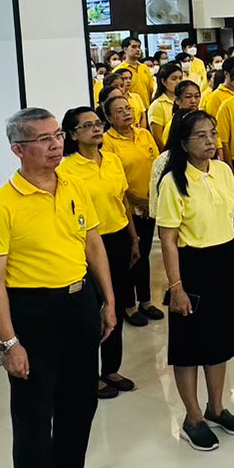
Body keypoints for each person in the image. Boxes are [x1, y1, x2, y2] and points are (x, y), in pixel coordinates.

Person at [0, 108, 116, 468]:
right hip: (33, 310)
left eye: (57, 136)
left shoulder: (73, 185)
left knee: (81, 395)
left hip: (79, 300)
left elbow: (93, 244)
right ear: (18, 149)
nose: (56, 145)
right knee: (34, 404)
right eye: (44, 140)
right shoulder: (0, 205)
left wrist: (108, 300)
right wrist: (9, 343)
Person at [156, 109, 234, 450]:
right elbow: (168, 239)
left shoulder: (223, 170)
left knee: (221, 339)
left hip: (223, 260)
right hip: (192, 266)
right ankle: (193, 417)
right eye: (201, 135)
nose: (210, 141)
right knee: (189, 345)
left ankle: (217, 407)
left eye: (212, 133)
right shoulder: (173, 181)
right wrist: (176, 287)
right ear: (183, 143)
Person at [59, 106, 137, 402]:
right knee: (91, 310)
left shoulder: (112, 160)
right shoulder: (66, 170)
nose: (96, 129)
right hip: (88, 243)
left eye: (98, 123)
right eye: (88, 125)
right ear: (72, 134)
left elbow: (123, 201)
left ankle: (111, 368)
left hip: (118, 237)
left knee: (116, 303)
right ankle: (87, 375)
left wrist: (133, 237)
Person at [100, 94, 163, 327]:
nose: (127, 113)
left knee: (144, 255)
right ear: (108, 118)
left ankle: (146, 301)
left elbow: (157, 167)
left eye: (128, 108)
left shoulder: (144, 134)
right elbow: (116, 181)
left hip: (149, 205)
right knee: (129, 257)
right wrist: (138, 202)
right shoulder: (107, 142)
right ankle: (129, 306)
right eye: (119, 111)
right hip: (127, 208)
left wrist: (152, 200)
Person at [148, 62, 185, 151]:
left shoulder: (184, 100)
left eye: (180, 78)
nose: (178, 82)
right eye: (174, 79)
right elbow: (158, 138)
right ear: (164, 81)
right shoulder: (157, 105)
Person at [120, 39, 155, 111]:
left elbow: (151, 89)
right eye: (134, 47)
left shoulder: (145, 68)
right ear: (125, 49)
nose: (138, 50)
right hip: (130, 110)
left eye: (139, 47)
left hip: (147, 109)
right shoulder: (119, 70)